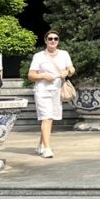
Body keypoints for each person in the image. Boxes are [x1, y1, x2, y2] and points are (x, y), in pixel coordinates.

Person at [27, 30, 74, 159]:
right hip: (42, 90)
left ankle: (41, 144)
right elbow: (31, 75)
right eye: (50, 39)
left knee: (49, 118)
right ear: (46, 41)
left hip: (56, 90)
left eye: (55, 39)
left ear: (58, 41)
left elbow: (71, 69)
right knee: (46, 118)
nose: (53, 41)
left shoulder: (64, 54)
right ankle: (47, 148)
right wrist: (42, 76)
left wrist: (67, 72)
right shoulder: (39, 56)